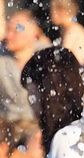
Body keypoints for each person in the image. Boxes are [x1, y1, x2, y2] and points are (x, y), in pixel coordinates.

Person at [0, 10, 48, 147]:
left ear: (33, 33)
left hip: (38, 129)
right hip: (5, 128)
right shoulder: (1, 57)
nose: (8, 36)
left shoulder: (47, 57)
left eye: (15, 31)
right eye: (7, 30)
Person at [49, 0, 84, 69]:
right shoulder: (69, 29)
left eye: (52, 11)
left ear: (62, 11)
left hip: (78, 72)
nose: (51, 15)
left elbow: (64, 55)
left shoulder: (73, 30)